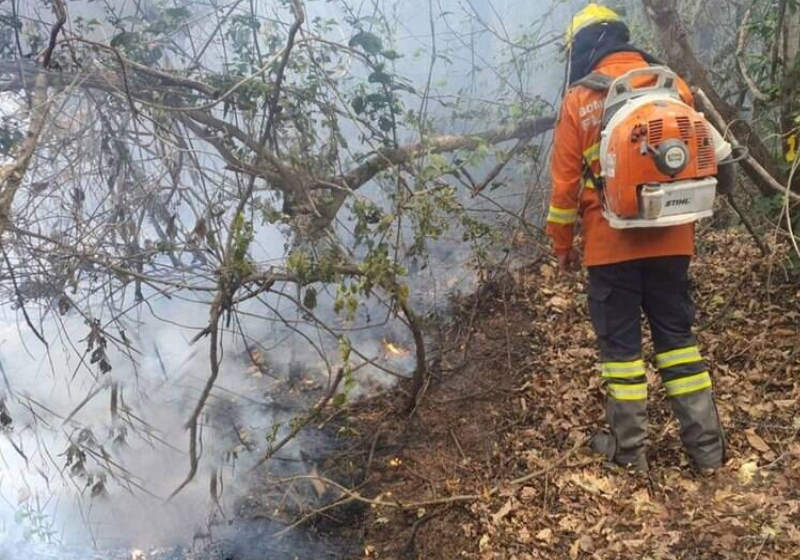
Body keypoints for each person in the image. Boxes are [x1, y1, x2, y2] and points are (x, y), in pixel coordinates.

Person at [546, 3, 731, 472]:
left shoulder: (579, 101)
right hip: (672, 241)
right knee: (679, 339)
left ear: (583, 49)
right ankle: (707, 452)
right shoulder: (673, 86)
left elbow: (565, 188)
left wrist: (562, 245)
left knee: (622, 355)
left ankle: (630, 455)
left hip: (611, 248)